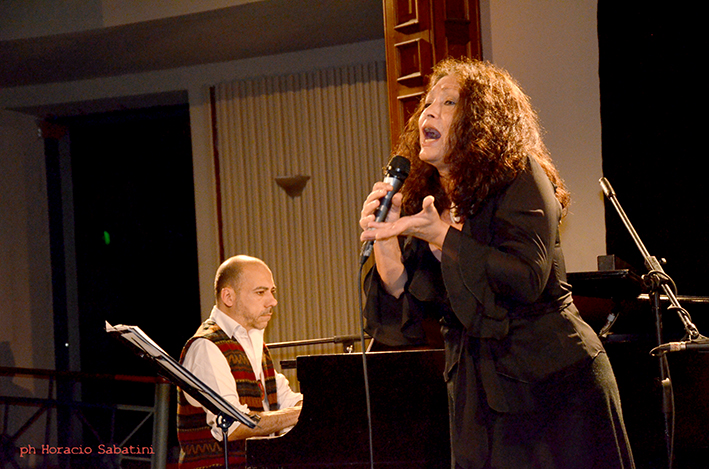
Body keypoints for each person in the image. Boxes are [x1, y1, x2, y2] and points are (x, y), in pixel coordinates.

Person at [359, 58, 634, 469]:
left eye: (448, 103)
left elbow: (525, 277)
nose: (428, 112)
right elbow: (406, 301)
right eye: (427, 103)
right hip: (479, 395)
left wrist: (442, 236)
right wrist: (384, 237)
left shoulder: (521, 175)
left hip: (554, 386)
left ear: (480, 120)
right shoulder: (429, 198)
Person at [177, 255, 303, 469]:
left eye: (272, 292)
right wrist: (299, 414)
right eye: (260, 292)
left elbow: (286, 401)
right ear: (228, 296)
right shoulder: (207, 346)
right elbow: (233, 426)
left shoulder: (254, 344)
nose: (272, 301)